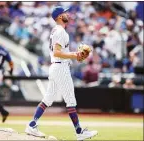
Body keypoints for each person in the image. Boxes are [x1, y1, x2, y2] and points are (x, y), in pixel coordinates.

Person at [25, 6, 98, 140]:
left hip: (56, 67)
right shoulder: (60, 31)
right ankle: (79, 132)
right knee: (70, 100)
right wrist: (75, 55)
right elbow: (57, 52)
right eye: (65, 13)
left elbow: (59, 52)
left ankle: (32, 124)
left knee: (47, 99)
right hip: (60, 68)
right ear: (59, 16)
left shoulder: (57, 31)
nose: (68, 14)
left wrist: (74, 55)